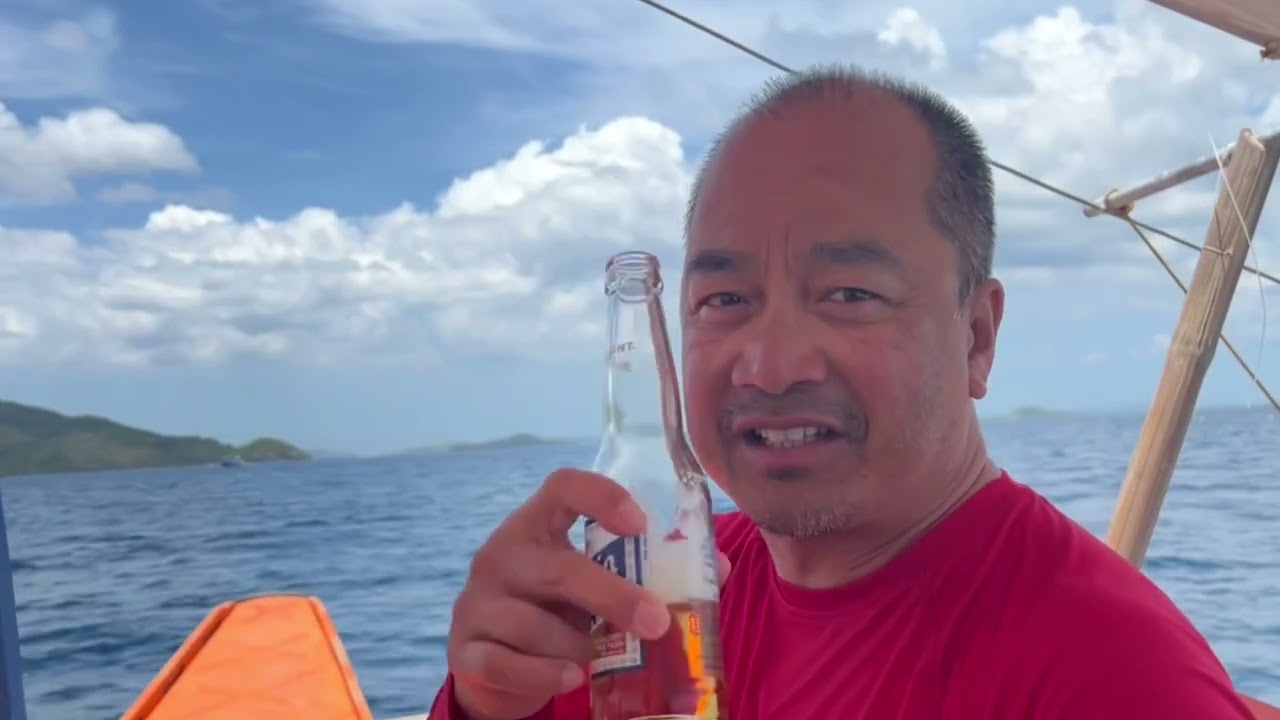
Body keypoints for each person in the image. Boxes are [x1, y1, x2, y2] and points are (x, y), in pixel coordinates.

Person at [429, 64, 1255, 719]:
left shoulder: (1107, 675)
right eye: (725, 300)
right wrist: (487, 700)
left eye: (850, 294)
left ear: (977, 335)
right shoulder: (651, 597)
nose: (770, 365)